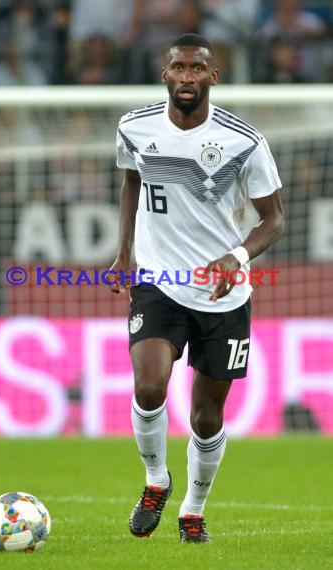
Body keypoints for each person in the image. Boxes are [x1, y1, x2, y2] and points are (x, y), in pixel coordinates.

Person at [107, 33, 284, 543]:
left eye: (196, 69)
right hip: (158, 281)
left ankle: (193, 509)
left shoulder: (244, 141)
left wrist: (238, 256)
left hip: (223, 293)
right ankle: (156, 481)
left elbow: (274, 220)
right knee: (148, 386)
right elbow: (130, 183)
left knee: (206, 418)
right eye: (178, 68)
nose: (187, 77)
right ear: (165, 75)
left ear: (213, 77)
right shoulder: (134, 128)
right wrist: (125, 252)